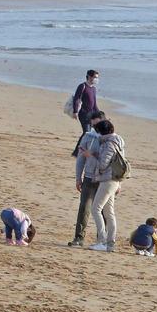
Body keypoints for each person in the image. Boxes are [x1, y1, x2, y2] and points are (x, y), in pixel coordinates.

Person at [82, 119, 125, 252]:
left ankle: (102, 240)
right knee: (108, 212)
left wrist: (90, 155)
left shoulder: (109, 144)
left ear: (103, 132)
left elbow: (102, 164)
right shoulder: (117, 141)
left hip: (108, 180)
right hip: (114, 180)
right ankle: (110, 243)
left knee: (96, 209)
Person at [68, 111, 106, 248]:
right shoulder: (88, 137)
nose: (96, 128)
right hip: (89, 178)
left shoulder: (112, 138)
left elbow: (117, 162)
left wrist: (118, 183)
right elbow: (80, 159)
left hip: (106, 180)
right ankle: (79, 238)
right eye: (93, 125)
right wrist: (78, 178)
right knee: (84, 208)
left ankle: (102, 240)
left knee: (104, 210)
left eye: (98, 124)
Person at [71, 70, 100, 152]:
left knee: (90, 133)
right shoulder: (82, 86)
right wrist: (75, 111)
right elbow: (76, 99)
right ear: (90, 77)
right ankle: (77, 152)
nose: (96, 79)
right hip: (83, 114)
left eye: (97, 78)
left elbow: (94, 104)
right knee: (86, 132)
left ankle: (83, 149)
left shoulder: (93, 89)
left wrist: (100, 115)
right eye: (95, 77)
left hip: (91, 114)